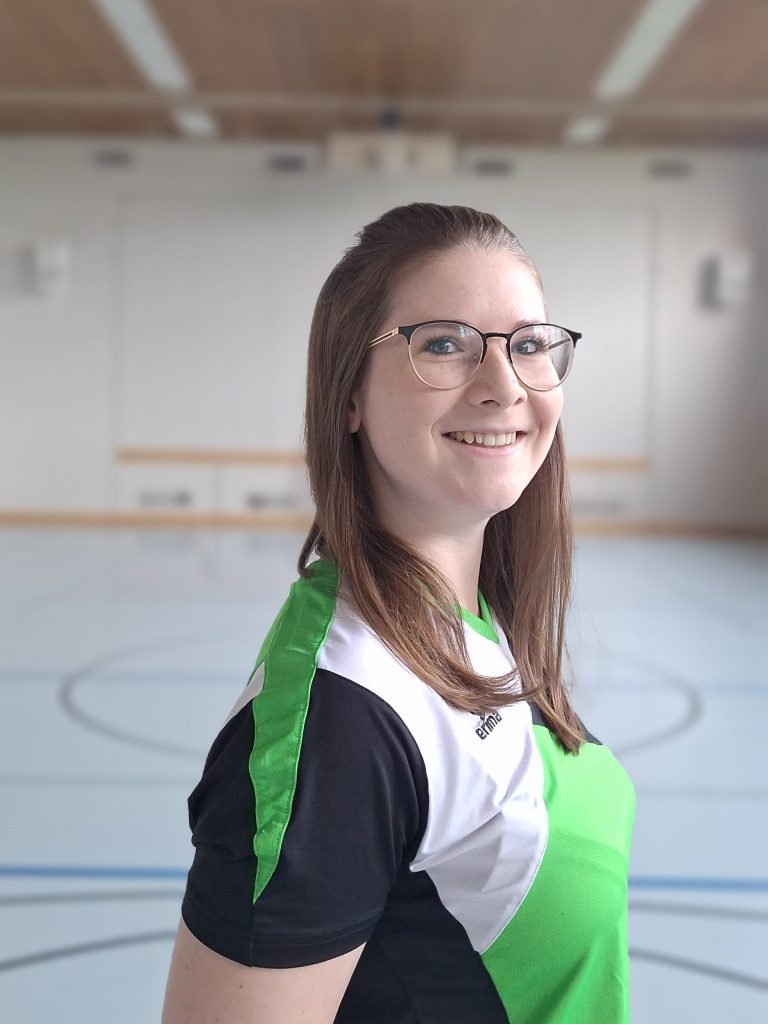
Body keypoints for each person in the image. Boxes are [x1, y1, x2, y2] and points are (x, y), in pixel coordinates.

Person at [162, 202, 636, 1024]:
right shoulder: (340, 723)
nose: (503, 385)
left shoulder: (479, 619)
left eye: (529, 344)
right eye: (444, 344)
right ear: (349, 392)